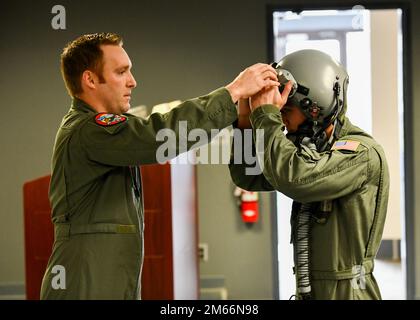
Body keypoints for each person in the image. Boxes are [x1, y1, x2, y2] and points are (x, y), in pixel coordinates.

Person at [40, 32, 280, 299]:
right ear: (90, 79)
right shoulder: (89, 129)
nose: (133, 81)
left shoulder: (99, 131)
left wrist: (241, 115)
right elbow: (159, 135)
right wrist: (233, 92)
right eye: (121, 72)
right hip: (84, 284)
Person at [229, 49, 390, 300]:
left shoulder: (362, 154)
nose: (281, 121)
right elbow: (248, 175)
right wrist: (245, 119)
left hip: (348, 293)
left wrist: (266, 116)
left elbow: (295, 178)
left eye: (285, 112)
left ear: (315, 108)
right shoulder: (310, 146)